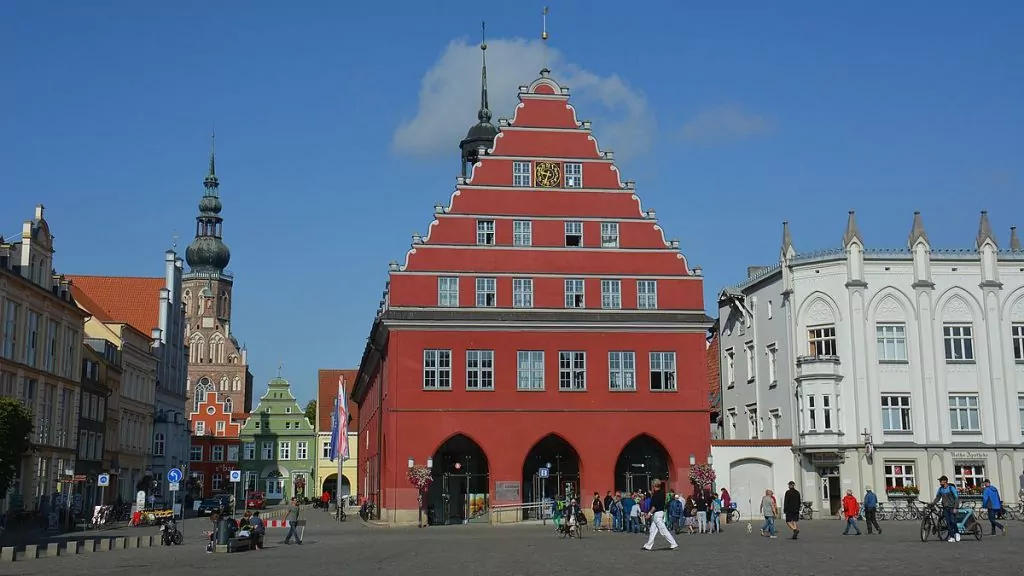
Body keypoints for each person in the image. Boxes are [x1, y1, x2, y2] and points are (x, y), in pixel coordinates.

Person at [642, 480, 678, 551]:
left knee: (663, 530)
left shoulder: (656, 494)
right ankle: (648, 545)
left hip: (657, 513)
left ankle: (674, 543)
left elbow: (654, 506)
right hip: (660, 512)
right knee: (652, 530)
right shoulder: (662, 493)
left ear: (654, 485)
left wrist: (649, 513)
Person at [933, 475, 960, 543]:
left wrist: (955, 507)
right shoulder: (940, 489)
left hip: (952, 507)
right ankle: (951, 537)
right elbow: (937, 498)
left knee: (953, 521)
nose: (940, 482)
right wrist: (932, 503)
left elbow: (957, 498)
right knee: (948, 523)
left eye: (941, 481)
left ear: (945, 481)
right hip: (945, 508)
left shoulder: (951, 488)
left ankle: (957, 533)